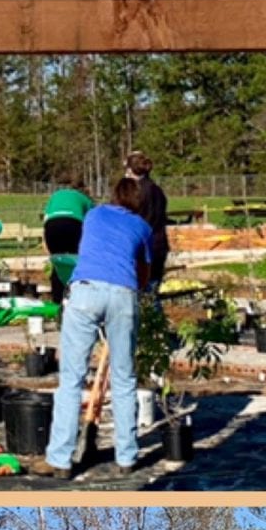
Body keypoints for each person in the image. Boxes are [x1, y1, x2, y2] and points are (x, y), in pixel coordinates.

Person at [43, 172, 154, 477]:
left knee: (71, 379)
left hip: (85, 290)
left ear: (113, 196)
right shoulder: (143, 228)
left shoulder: (93, 215)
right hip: (123, 294)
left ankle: (61, 458)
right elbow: (143, 274)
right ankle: (127, 457)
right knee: (124, 377)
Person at [124, 150, 170, 290]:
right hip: (159, 243)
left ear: (131, 170)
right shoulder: (157, 190)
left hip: (143, 246)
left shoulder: (136, 192)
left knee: (141, 291)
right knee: (152, 292)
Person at [42, 183, 94, 305]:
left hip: (52, 226)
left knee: (58, 263)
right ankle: (77, 299)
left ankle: (57, 300)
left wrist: (46, 242)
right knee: (76, 262)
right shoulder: (84, 199)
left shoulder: (55, 196)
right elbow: (93, 220)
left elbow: (45, 220)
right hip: (73, 224)